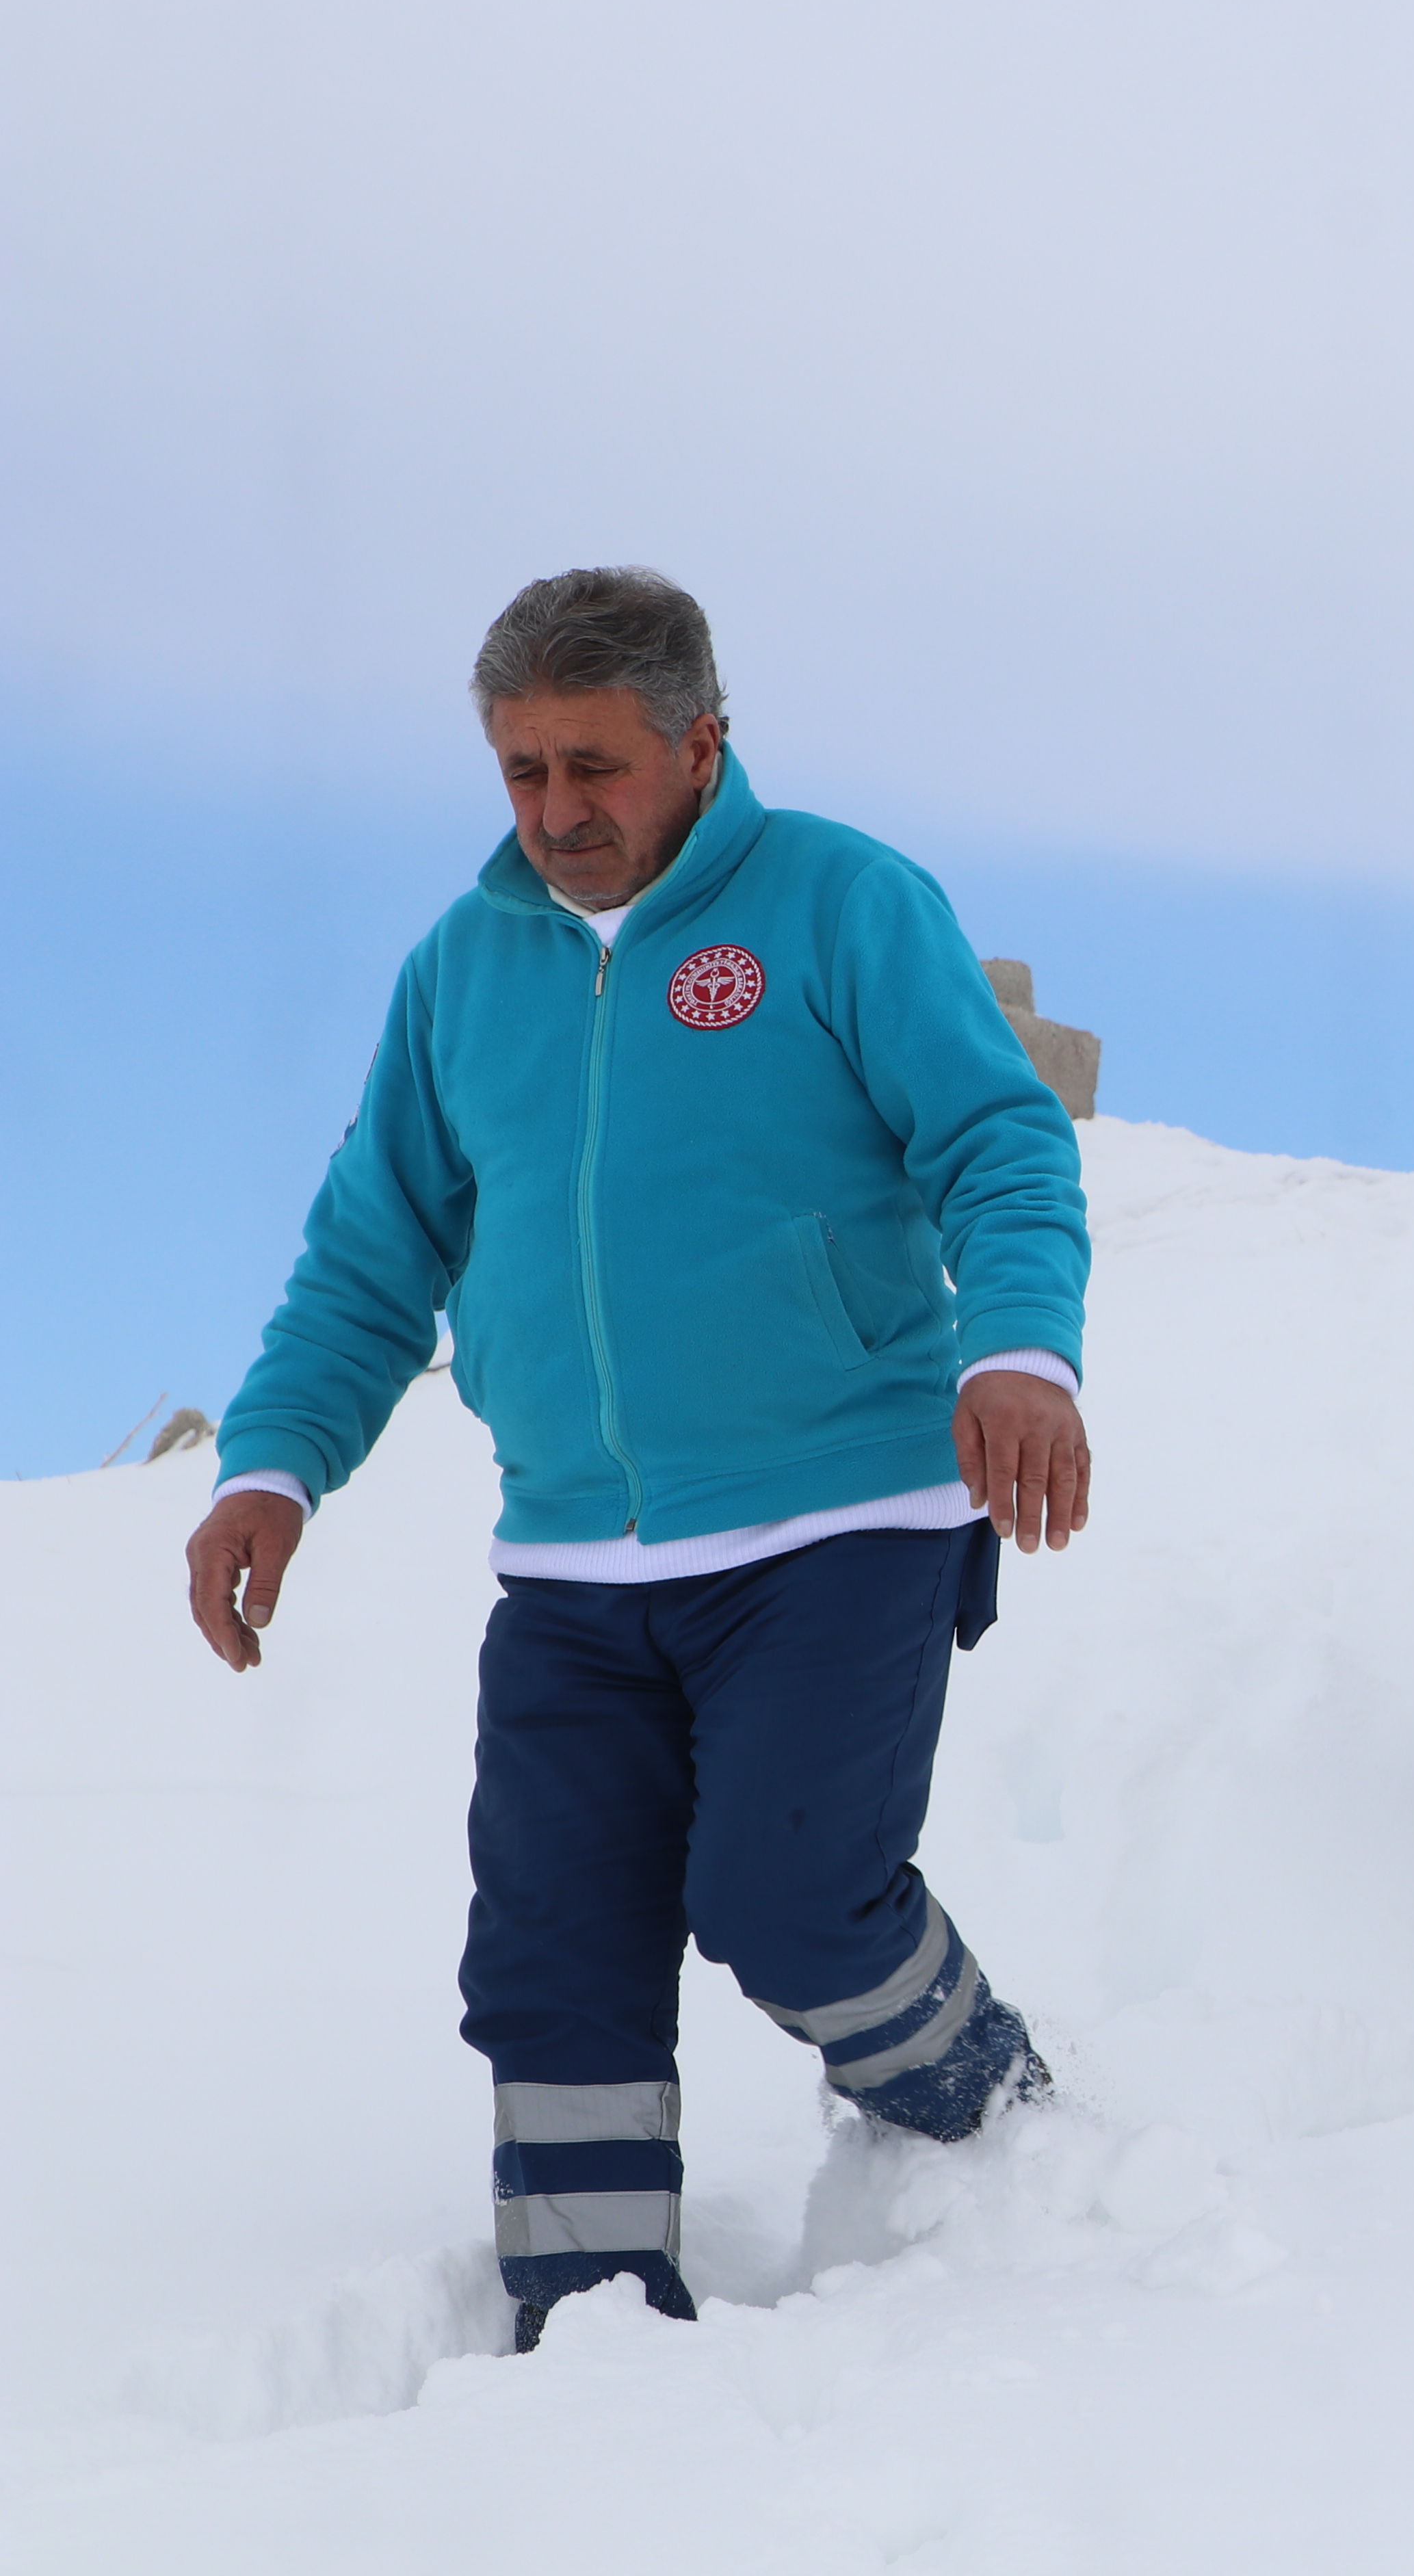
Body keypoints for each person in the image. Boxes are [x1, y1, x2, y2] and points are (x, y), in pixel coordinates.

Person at [181, 568, 1090, 2350]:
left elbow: (997, 1139)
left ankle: (998, 2124)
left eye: (592, 767)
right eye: (520, 771)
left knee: (789, 1903)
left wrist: (1021, 1350)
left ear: (701, 743)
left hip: (841, 1517)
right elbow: (376, 1250)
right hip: (578, 1567)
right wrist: (273, 1467)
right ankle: (588, 2334)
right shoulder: (462, 969)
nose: (555, 814)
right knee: (551, 1965)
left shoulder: (840, 902)